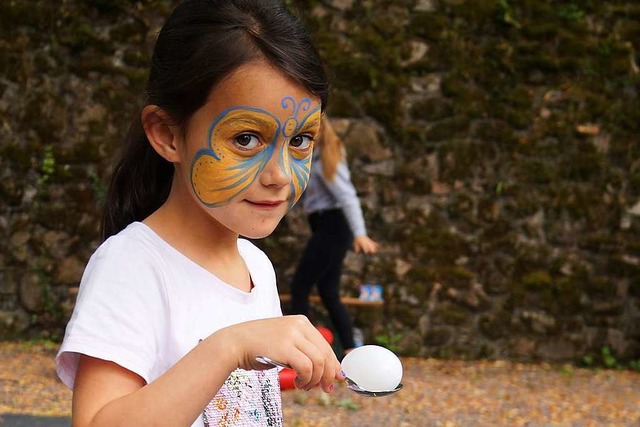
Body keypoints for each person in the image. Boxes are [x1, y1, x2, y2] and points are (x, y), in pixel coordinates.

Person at [55, 1, 344, 426]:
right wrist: (229, 347)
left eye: (300, 140)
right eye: (246, 138)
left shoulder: (256, 267)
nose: (280, 175)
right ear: (168, 134)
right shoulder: (132, 266)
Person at [289, 116, 379, 356]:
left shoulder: (329, 158)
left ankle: (303, 352)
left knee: (300, 286)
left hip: (333, 227)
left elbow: (348, 196)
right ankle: (350, 351)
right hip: (326, 226)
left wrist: (360, 234)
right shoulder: (314, 157)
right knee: (328, 292)